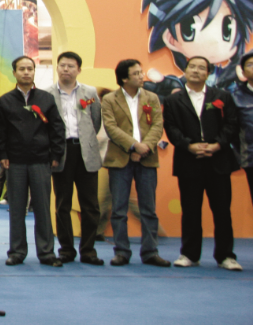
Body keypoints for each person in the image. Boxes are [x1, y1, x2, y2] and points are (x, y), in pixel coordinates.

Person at [163, 56, 242, 271]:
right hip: (189, 161)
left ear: (208, 73)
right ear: (185, 70)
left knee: (222, 211)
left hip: (218, 161)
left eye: (201, 68)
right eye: (192, 67)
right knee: (190, 211)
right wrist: (189, 145)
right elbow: (171, 128)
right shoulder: (173, 100)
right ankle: (189, 254)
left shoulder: (222, 96)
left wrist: (217, 145)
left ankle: (226, 256)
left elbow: (231, 124)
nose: (196, 71)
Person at [0, 55, 64, 267]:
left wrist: (56, 155)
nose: (26, 72)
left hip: (41, 161)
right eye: (22, 69)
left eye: (30, 69)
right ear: (14, 73)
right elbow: (0, 131)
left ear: (34, 72)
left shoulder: (46, 98)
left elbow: (57, 128)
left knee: (42, 208)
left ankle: (46, 252)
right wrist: (2, 155)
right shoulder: (5, 100)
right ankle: (17, 252)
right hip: (14, 162)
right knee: (16, 209)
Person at [102, 59, 170, 267]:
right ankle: (121, 252)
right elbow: (111, 128)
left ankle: (150, 252)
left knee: (148, 209)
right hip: (119, 159)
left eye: (141, 72)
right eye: (136, 73)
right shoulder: (110, 99)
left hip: (147, 158)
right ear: (124, 78)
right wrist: (133, 146)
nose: (142, 76)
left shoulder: (152, 97)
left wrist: (144, 147)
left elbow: (157, 125)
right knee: (119, 209)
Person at [45, 51, 104, 265]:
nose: (66, 69)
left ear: (78, 69)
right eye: (62, 65)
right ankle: (66, 249)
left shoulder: (90, 92)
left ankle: (88, 250)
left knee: (90, 204)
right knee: (62, 203)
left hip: (85, 151)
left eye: (71, 66)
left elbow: (95, 121)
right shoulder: (47, 94)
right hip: (61, 152)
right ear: (57, 67)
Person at [235, 52, 253, 204]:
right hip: (251, 158)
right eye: (250, 64)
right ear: (243, 72)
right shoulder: (235, 97)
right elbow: (232, 131)